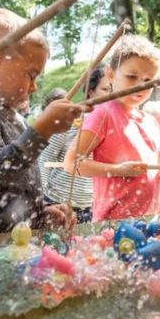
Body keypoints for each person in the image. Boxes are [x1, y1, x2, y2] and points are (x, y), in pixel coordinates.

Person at [0, 9, 86, 234]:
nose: (34, 87)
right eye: (31, 75)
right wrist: (42, 130)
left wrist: (40, 214)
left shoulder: (14, 117)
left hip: (11, 244)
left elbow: (16, 186)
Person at [63, 35, 160, 221]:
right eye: (131, 77)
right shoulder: (103, 113)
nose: (140, 86)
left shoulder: (151, 122)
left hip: (148, 220)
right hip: (112, 223)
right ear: (111, 74)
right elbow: (71, 163)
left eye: (148, 80)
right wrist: (119, 170)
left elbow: (158, 168)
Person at [39, 68, 111, 223]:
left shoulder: (113, 128)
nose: (112, 95)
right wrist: (42, 203)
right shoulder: (72, 121)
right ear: (90, 92)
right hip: (58, 205)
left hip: (89, 209)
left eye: (115, 89)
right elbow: (45, 158)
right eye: (106, 89)